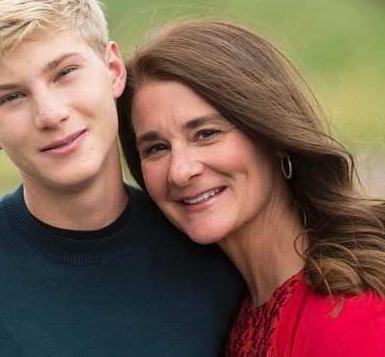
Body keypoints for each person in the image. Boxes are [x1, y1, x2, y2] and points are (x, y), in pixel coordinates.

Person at [0, 0, 243, 357]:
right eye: (12, 97)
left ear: (113, 70)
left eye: (64, 73)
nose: (50, 114)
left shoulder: (213, 254)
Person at [118, 19, 385, 356]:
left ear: (272, 135)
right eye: (156, 148)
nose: (180, 171)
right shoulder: (227, 312)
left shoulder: (349, 316)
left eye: (206, 133)